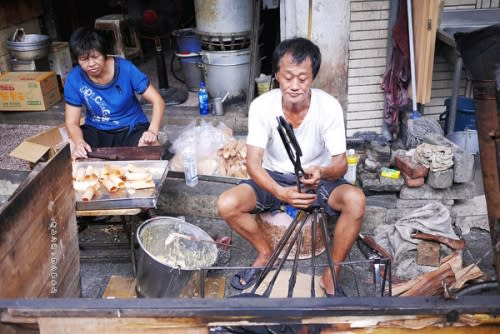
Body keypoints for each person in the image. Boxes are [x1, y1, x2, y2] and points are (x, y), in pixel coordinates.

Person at [217, 37, 365, 296]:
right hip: (274, 176)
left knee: (356, 200)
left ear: (313, 78)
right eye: (288, 77)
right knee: (227, 204)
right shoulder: (262, 106)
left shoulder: (329, 107)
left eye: (303, 78)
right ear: (276, 75)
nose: (295, 86)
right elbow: (253, 163)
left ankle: (333, 273)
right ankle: (265, 253)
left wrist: (322, 172)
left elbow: (340, 164)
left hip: (317, 179)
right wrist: (279, 192)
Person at [64, 27, 165, 159]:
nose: (91, 64)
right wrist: (79, 142)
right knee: (71, 147)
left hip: (131, 128)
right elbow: (71, 122)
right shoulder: (74, 78)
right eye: (84, 59)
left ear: (104, 53)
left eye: (95, 57)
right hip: (96, 130)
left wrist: (152, 131)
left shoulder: (126, 68)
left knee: (151, 149)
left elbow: (158, 101)